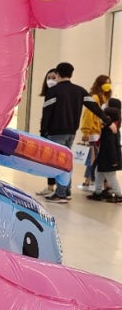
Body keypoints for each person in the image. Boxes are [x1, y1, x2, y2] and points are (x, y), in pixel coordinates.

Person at [40, 61, 110, 203]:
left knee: (58, 163)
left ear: (57, 74)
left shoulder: (53, 92)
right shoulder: (79, 91)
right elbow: (94, 107)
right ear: (71, 74)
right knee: (66, 161)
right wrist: (107, 120)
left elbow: (47, 113)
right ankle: (66, 191)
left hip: (55, 133)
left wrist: (43, 132)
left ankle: (60, 194)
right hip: (71, 132)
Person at [78, 73, 113, 189]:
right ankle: (89, 180)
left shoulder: (103, 98)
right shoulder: (95, 98)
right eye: (105, 83)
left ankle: (88, 180)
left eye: (109, 83)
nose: (108, 85)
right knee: (93, 158)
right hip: (93, 133)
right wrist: (86, 131)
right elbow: (88, 115)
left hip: (98, 132)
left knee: (93, 158)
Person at [87, 98, 121, 203]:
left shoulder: (110, 131)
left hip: (109, 159)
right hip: (103, 157)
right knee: (98, 174)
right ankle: (98, 192)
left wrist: (113, 161)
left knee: (111, 177)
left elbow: (112, 147)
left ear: (108, 118)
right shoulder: (107, 129)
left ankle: (119, 194)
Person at [36, 67, 59, 197]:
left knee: (55, 161)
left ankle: (58, 189)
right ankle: (51, 187)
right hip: (48, 131)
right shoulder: (49, 94)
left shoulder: (58, 94)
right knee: (49, 160)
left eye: (53, 78)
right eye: (48, 78)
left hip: (55, 132)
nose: (50, 80)